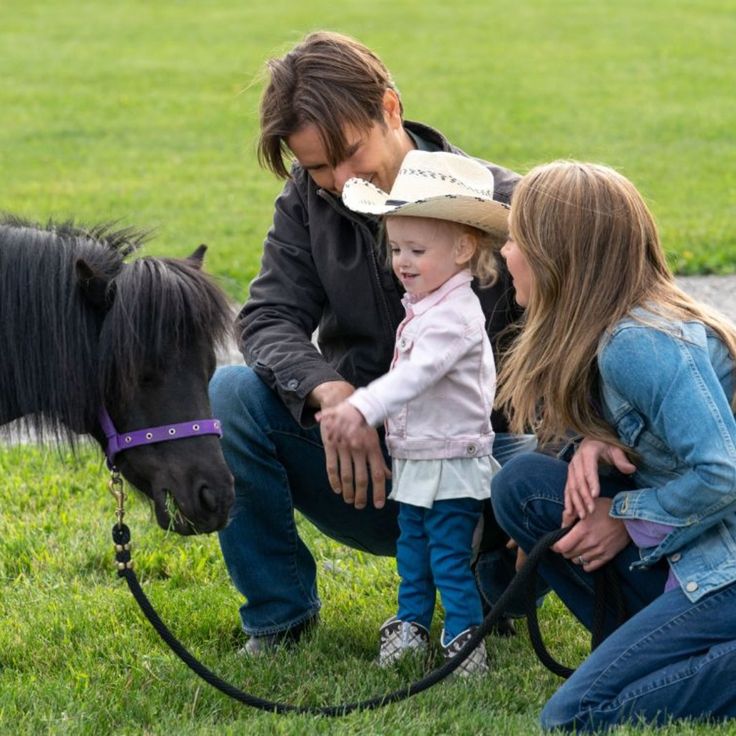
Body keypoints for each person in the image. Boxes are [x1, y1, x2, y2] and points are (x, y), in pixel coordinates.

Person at [209, 30, 535, 656]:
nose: (337, 179)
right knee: (230, 394)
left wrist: (546, 478)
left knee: (548, 466)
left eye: (350, 155)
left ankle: (498, 575)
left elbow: (571, 347)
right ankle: (279, 619)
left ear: (390, 108)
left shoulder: (505, 203)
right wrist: (331, 397)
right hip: (366, 467)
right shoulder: (307, 201)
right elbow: (267, 317)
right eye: (316, 167)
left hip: (484, 465)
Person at [491, 160, 736, 730]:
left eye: (516, 239)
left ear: (558, 256)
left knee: (576, 715)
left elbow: (723, 472)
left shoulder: (638, 342)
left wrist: (626, 516)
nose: (505, 253)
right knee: (523, 485)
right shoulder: (610, 332)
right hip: (695, 552)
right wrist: (593, 440)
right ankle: (658, 652)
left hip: (722, 566)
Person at [318, 150, 509, 675]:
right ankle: (411, 625)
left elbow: (417, 374)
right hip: (420, 457)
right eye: (397, 247)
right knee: (414, 548)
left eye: (417, 249)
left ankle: (465, 640)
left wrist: (361, 406)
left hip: (451, 460)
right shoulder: (426, 305)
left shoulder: (456, 316)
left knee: (448, 554)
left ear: (465, 248)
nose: (402, 261)